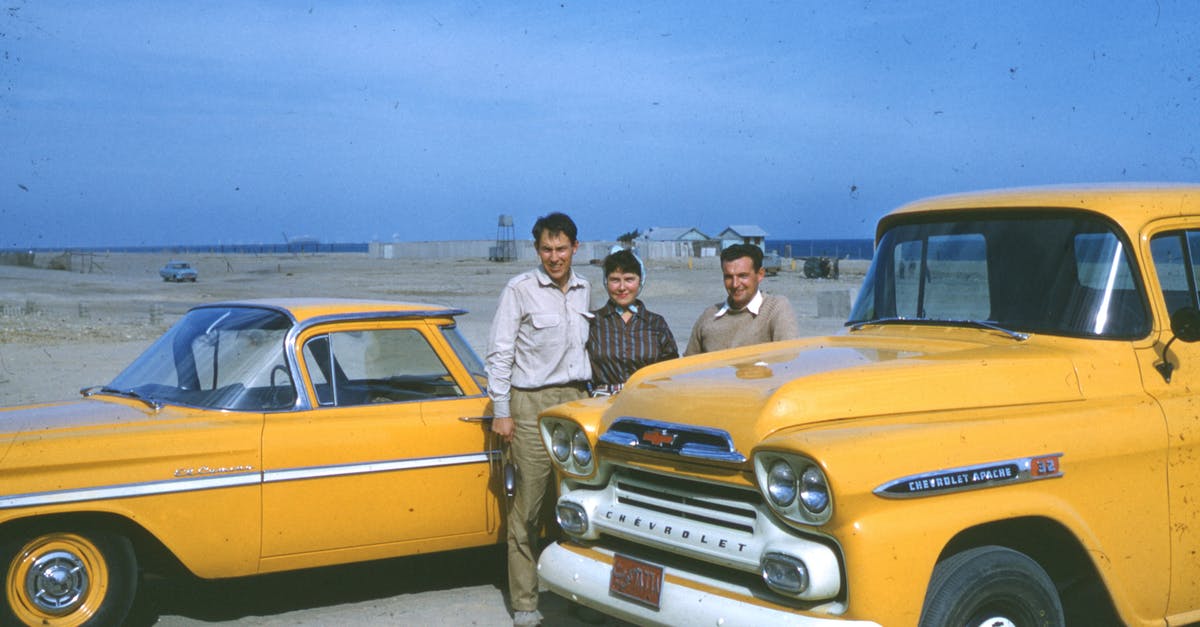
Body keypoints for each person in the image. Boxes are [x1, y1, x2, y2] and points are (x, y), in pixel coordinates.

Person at [485, 212, 591, 627]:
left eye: (561, 248)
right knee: (528, 509)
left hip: (576, 403)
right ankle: (526, 603)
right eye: (546, 249)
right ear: (536, 250)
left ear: (575, 249)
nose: (554, 257)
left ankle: (580, 595)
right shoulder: (520, 290)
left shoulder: (585, 289)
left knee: (576, 504)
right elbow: (500, 354)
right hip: (529, 405)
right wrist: (502, 411)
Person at [588, 248, 679, 394]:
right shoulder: (593, 323)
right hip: (602, 405)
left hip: (647, 402)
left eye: (629, 279)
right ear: (606, 281)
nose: (622, 287)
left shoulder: (656, 324)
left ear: (640, 281)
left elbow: (671, 370)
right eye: (615, 280)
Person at [684, 243, 800, 355]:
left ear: (760, 274)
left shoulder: (775, 309)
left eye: (743, 276)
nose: (735, 284)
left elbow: (788, 360)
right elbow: (687, 366)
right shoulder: (709, 315)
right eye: (728, 277)